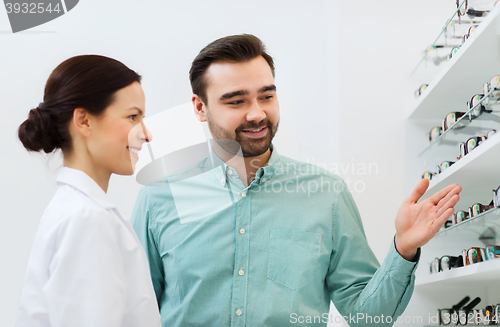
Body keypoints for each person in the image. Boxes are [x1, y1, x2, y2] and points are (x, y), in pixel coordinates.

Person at [131, 34, 461, 326]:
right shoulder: (161, 195)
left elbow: (366, 319)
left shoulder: (326, 194)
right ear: (200, 108)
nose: (257, 113)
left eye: (266, 96)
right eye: (236, 101)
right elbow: (137, 312)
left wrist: (403, 249)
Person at [17, 55, 160, 327]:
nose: (146, 133)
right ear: (83, 121)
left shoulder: (78, 210)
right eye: (132, 117)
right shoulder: (87, 218)